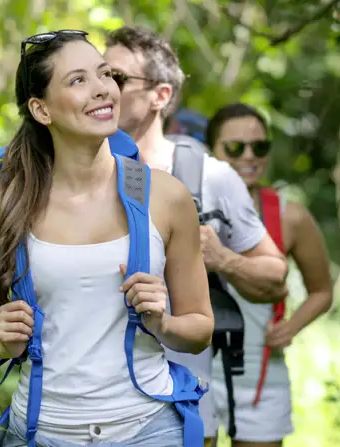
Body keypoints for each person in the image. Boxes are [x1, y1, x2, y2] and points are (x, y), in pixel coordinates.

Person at [0, 30, 220, 447]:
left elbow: (200, 328)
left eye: (105, 74)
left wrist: (163, 322)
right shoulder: (5, 200)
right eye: (79, 79)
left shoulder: (164, 196)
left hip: (145, 438)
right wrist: (1, 338)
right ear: (41, 109)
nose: (103, 88)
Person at [103, 26, 289, 397]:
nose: (103, 88)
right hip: (85, 399)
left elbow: (276, 279)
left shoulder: (210, 176)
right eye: (99, 75)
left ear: (161, 95)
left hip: (182, 398)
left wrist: (224, 260)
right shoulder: (70, 174)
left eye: (118, 78)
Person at [203, 103, 333, 447]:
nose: (249, 156)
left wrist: (292, 326)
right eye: (235, 146)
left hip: (262, 378)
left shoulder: (289, 216)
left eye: (260, 146)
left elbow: (322, 290)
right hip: (196, 375)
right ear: (211, 152)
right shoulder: (184, 205)